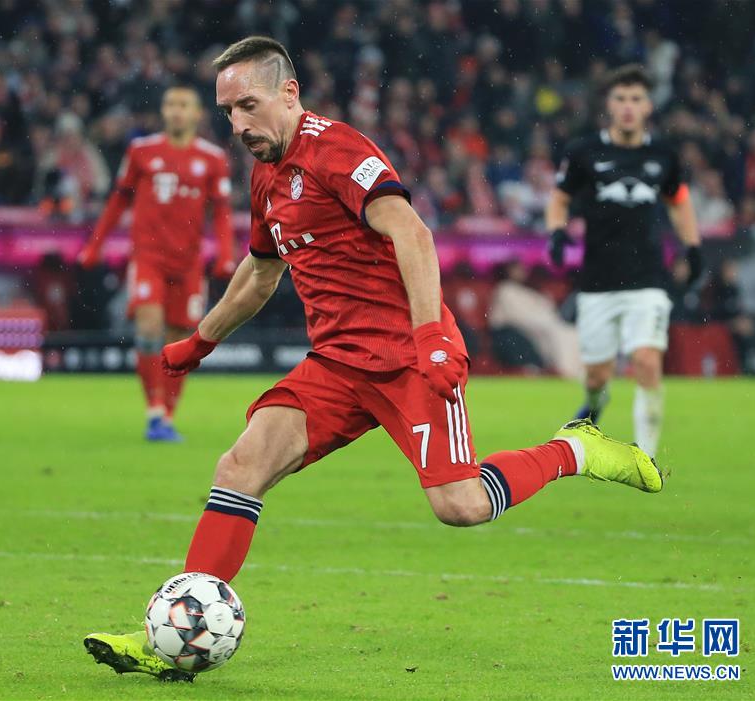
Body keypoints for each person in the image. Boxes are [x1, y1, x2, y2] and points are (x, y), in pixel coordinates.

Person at [84, 38, 662, 681]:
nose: (238, 124)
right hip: (336, 364)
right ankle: (171, 636)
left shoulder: (337, 149)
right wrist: (202, 340)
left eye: (248, 105)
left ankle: (573, 450)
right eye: (227, 112)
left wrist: (431, 335)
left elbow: (412, 231)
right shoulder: (265, 173)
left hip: (409, 356)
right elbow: (261, 271)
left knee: (461, 505)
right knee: (240, 466)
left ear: (289, 93)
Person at [545, 64, 702, 457]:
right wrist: (557, 232)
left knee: (646, 360)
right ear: (609, 105)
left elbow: (679, 201)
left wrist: (692, 246)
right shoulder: (584, 152)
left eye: (636, 99)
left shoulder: (663, 155)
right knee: (597, 375)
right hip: (598, 281)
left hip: (648, 278)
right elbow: (560, 198)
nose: (628, 106)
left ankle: (645, 458)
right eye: (621, 98)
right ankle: (595, 402)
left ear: (648, 106)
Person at [78, 86, 236, 442]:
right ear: (164, 112)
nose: (176, 111)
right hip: (148, 257)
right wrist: (94, 245)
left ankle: (166, 415)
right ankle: (153, 410)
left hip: (189, 263)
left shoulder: (212, 159)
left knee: (180, 339)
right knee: (149, 328)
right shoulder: (141, 151)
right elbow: (118, 200)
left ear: (197, 114)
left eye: (183, 105)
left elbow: (222, 212)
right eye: (170, 105)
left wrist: (226, 253)